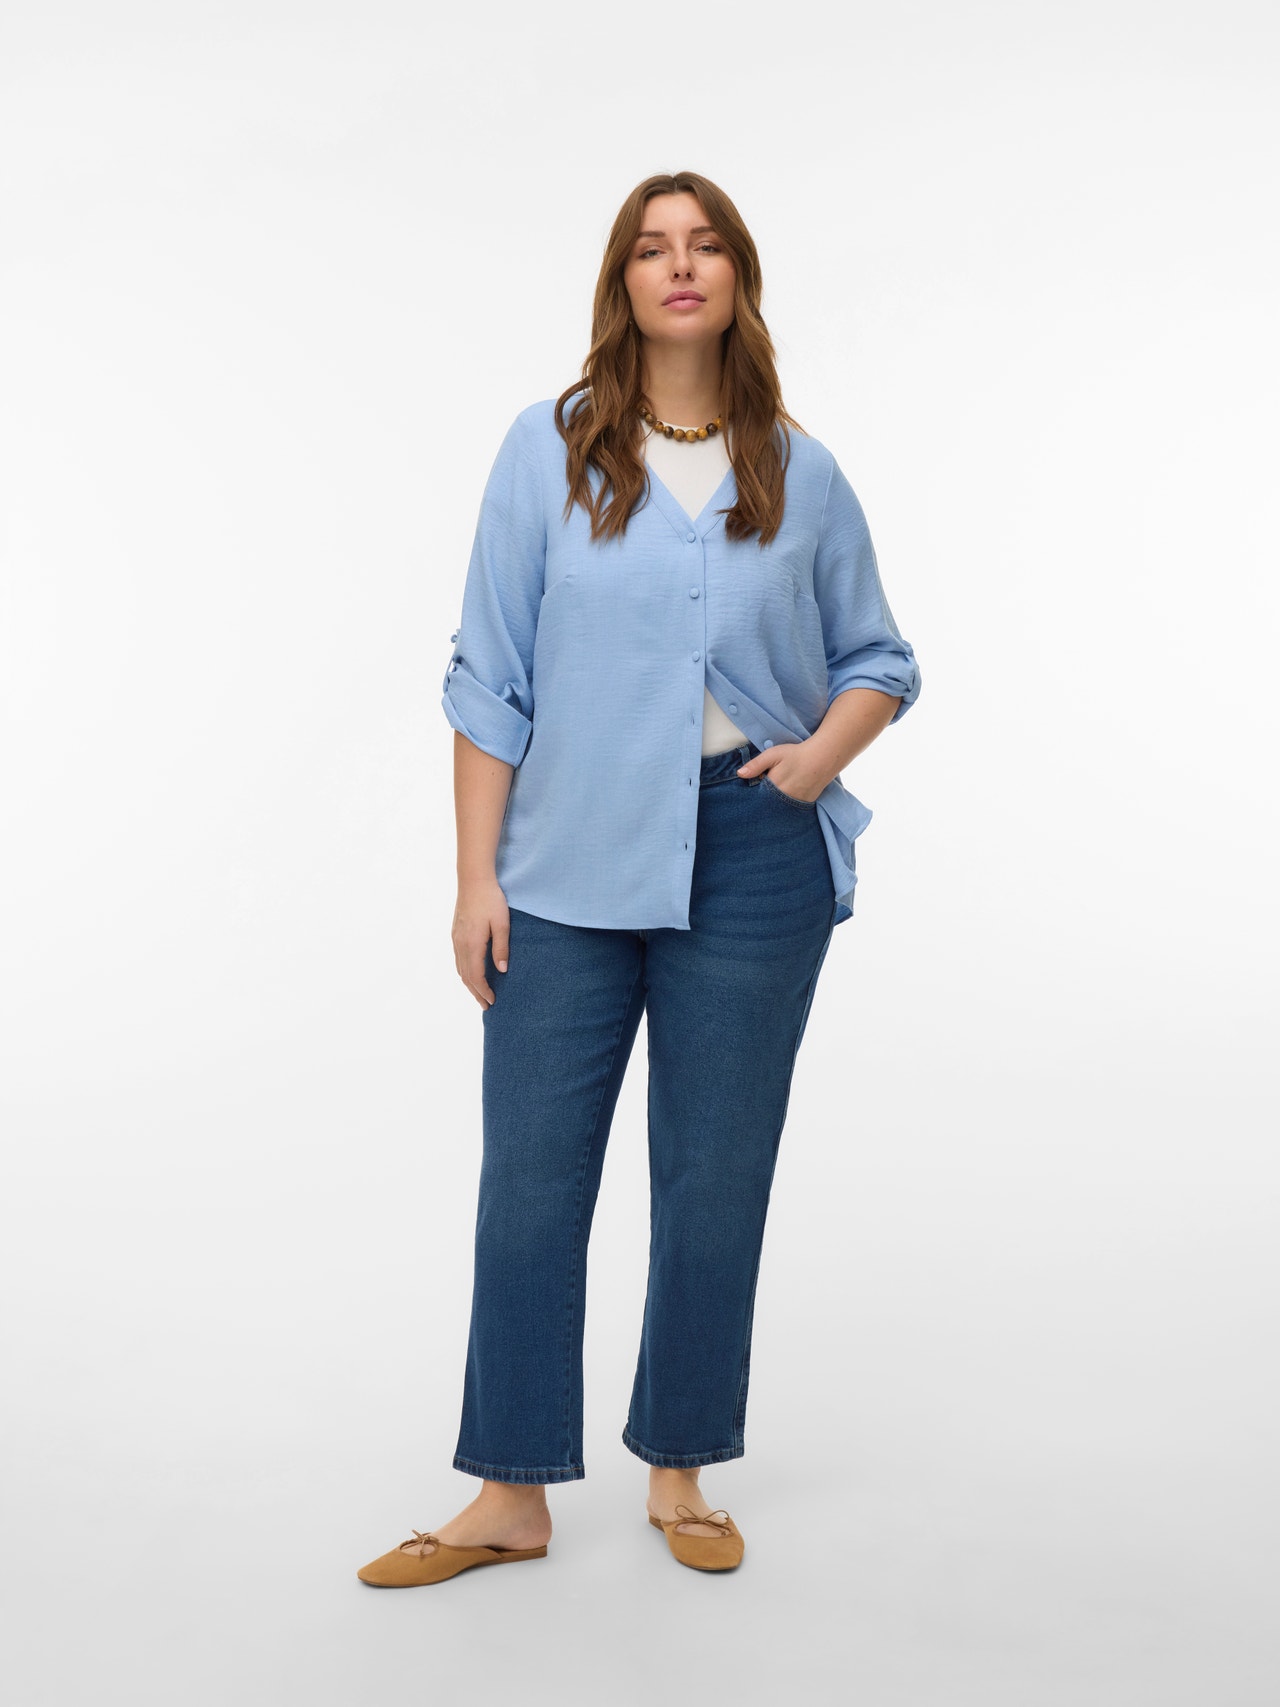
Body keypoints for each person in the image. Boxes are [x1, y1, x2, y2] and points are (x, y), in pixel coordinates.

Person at [357, 170, 922, 1588]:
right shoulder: (544, 453)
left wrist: (813, 763)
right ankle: (509, 1492)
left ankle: (681, 1467)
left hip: (755, 859)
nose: (681, 267)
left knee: (713, 1178)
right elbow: (488, 677)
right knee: (531, 1183)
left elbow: (881, 659)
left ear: (737, 279)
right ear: (621, 283)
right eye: (654, 249)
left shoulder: (799, 471)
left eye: (706, 246)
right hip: (564, 866)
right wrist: (474, 879)